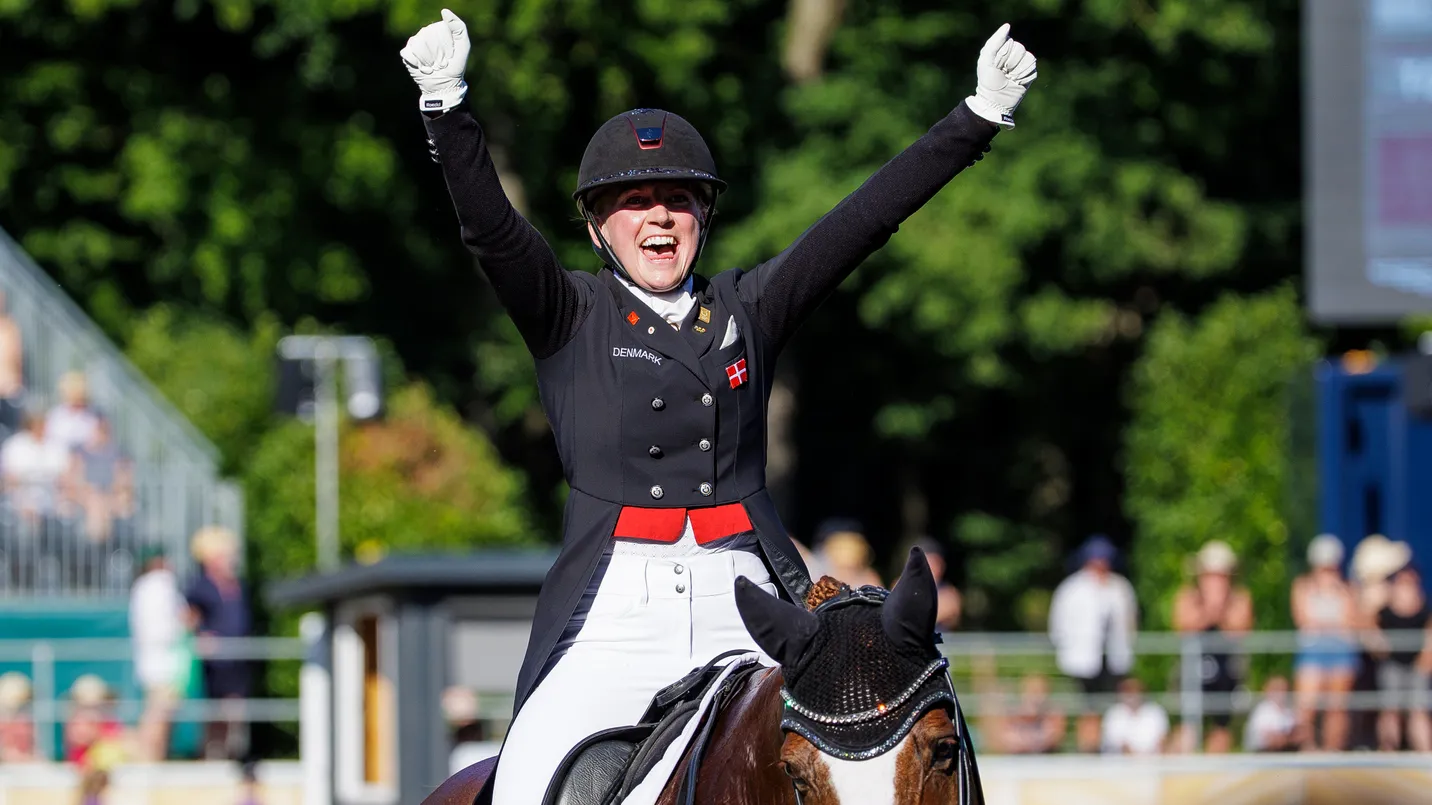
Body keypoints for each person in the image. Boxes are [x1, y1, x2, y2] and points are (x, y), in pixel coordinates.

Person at [400, 11, 1038, 803]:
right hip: (614, 613)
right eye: (632, 201)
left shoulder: (750, 307)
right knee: (530, 780)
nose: (659, 216)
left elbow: (862, 221)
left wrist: (977, 116)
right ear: (598, 227)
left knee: (892, 734)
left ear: (704, 217)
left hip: (753, 604)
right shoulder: (568, 312)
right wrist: (446, 104)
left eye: (677, 199)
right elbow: (492, 232)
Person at [1048, 534, 1138, 753]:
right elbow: (1058, 625)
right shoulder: (1072, 588)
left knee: (1109, 706)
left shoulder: (1119, 587)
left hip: (1113, 659)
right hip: (1082, 660)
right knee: (1088, 706)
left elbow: (1130, 622)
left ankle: (1107, 747)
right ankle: (1088, 748)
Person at [1171, 540, 1253, 753]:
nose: (1215, 581)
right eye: (1210, 574)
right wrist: (1209, 610)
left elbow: (1240, 630)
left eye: (1220, 575)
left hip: (1227, 673)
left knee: (1222, 726)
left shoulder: (1240, 598)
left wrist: (1221, 607)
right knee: (1187, 725)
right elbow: (1183, 627)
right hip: (1191, 672)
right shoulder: (1187, 596)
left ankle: (1215, 779)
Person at [184, 526, 253, 761]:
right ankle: (211, 758)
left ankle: (232, 758)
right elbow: (188, 620)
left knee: (236, 710)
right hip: (214, 664)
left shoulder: (239, 586)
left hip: (237, 660)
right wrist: (201, 636)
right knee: (215, 713)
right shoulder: (199, 587)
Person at [1291, 534, 1359, 751]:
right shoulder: (1302, 586)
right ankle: (1308, 750)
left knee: (1336, 707)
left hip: (1340, 651)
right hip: (1313, 650)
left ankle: (1332, 751)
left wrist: (1336, 591)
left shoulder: (1347, 588)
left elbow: (1352, 619)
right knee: (1306, 706)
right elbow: (1302, 618)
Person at [129, 546, 187, 761]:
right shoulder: (160, 584)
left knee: (157, 714)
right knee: (158, 715)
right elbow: (169, 627)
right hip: (164, 662)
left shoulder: (142, 587)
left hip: (153, 661)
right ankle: (149, 759)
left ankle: (153, 757)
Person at [1369, 554, 1431, 751]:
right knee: (1390, 710)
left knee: (1418, 710)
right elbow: (1366, 625)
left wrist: (1426, 658)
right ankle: (1387, 749)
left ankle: (1425, 753)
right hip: (1392, 665)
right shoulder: (1384, 609)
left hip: (1417, 666)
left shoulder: (1425, 608)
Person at [1243, 675, 1297, 752]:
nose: (1281, 693)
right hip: (1264, 753)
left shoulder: (1290, 710)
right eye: (1277, 689)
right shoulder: (1262, 711)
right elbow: (1267, 739)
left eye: (1284, 689)